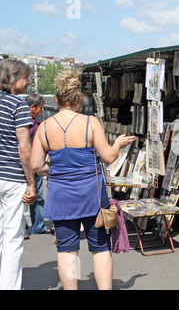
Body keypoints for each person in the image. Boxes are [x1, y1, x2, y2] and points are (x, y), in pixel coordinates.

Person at [30, 70, 135, 290]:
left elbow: (37, 165)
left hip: (61, 197)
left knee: (67, 250)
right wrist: (117, 145)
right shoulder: (90, 123)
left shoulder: (45, 127)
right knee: (100, 248)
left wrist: (57, 167)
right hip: (92, 197)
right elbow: (108, 157)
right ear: (78, 99)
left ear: (57, 100)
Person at [0, 59, 37, 290]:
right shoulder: (18, 105)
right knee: (12, 236)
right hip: (12, 176)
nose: (29, 82)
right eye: (26, 78)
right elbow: (24, 148)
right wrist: (31, 182)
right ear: (13, 80)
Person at [25, 93, 51, 238]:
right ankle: (22, 229)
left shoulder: (36, 122)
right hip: (24, 166)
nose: (41, 111)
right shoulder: (23, 122)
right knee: (24, 197)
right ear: (31, 107)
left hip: (36, 164)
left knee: (38, 196)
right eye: (39, 108)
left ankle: (38, 225)